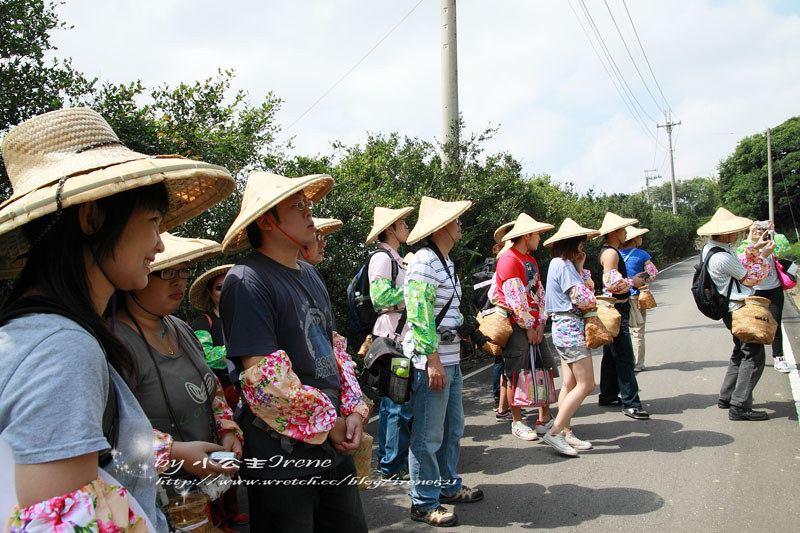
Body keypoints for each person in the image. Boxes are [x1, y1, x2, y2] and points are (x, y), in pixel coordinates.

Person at [0, 107, 233, 530]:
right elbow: (63, 519)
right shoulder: (61, 348)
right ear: (93, 217)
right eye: (152, 222)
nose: (160, 246)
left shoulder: (37, 334)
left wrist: (177, 453)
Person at [219, 171, 369, 532]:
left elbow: (334, 350)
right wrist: (330, 422)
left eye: (308, 204)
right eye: (298, 205)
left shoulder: (309, 274)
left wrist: (351, 410)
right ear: (267, 220)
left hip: (330, 443)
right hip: (280, 453)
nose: (309, 214)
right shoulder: (246, 281)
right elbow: (264, 383)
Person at [114, 233, 246, 532]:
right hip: (152, 497)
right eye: (167, 272)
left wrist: (227, 429)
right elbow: (108, 431)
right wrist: (173, 452)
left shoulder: (183, 330)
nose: (179, 281)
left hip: (203, 488)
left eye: (183, 271)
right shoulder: (114, 344)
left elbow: (211, 391)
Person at [404, 196, 483, 527]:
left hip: (449, 358)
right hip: (430, 362)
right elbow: (419, 316)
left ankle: (447, 486)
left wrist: (464, 331)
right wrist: (432, 361)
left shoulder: (445, 262)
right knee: (427, 435)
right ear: (440, 228)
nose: (460, 224)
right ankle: (423, 502)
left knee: (452, 429)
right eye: (455, 219)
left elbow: (441, 312)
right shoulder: (424, 261)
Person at [698, 208, 774, 420]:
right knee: (754, 354)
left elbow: (740, 266)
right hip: (738, 309)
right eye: (735, 231)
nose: (738, 234)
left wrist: (754, 251)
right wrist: (763, 257)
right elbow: (750, 278)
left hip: (728, 309)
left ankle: (727, 396)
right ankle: (739, 406)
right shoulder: (723, 256)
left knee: (740, 351)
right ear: (726, 233)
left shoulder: (710, 249)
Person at [490, 213, 555, 441]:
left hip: (533, 324)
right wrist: (529, 326)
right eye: (536, 234)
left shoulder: (529, 259)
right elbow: (515, 297)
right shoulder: (509, 259)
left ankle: (543, 419)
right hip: (517, 326)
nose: (539, 238)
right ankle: (517, 421)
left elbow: (539, 292)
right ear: (526, 235)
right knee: (516, 372)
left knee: (543, 369)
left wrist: (540, 323)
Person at [541, 218, 601, 456]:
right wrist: (590, 289)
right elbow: (582, 297)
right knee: (587, 384)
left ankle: (566, 432)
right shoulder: (564, 265)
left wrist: (581, 267)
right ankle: (555, 433)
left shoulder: (559, 264)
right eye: (580, 244)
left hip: (561, 327)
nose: (582, 248)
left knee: (569, 383)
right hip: (571, 327)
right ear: (573, 244)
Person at [365, 206, 415, 481]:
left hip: (398, 338)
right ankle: (393, 466)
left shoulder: (396, 257)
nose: (407, 226)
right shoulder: (382, 258)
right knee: (396, 403)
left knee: (393, 401)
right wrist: (415, 291)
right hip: (391, 339)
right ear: (391, 229)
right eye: (403, 223)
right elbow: (380, 298)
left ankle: (390, 459)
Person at [596, 212, 650, 420]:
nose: (626, 232)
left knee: (611, 354)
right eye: (623, 229)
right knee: (625, 355)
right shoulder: (611, 254)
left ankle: (608, 395)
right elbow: (612, 284)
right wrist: (633, 282)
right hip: (616, 308)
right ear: (615, 232)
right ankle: (631, 403)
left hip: (611, 308)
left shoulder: (609, 252)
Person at [736, 220, 792, 373]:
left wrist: (775, 233)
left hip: (774, 289)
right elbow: (742, 260)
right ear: (747, 233)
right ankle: (752, 357)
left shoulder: (770, 242)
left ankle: (778, 357)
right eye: (755, 229)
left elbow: (785, 249)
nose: (758, 231)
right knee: (755, 325)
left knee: (774, 323)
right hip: (754, 291)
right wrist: (756, 247)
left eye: (760, 229)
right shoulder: (744, 246)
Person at [189, 263, 238, 409]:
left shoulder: (246, 317)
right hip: (223, 392)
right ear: (210, 293)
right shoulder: (203, 322)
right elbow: (205, 356)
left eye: (231, 285)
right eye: (219, 287)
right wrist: (240, 348)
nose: (226, 290)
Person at [620, 226, 659, 372]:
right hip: (636, 295)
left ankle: (625, 361)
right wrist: (642, 277)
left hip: (620, 297)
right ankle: (637, 363)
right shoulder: (642, 254)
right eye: (640, 236)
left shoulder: (615, 254)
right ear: (635, 239)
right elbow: (653, 273)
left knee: (623, 331)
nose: (641, 239)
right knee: (638, 330)